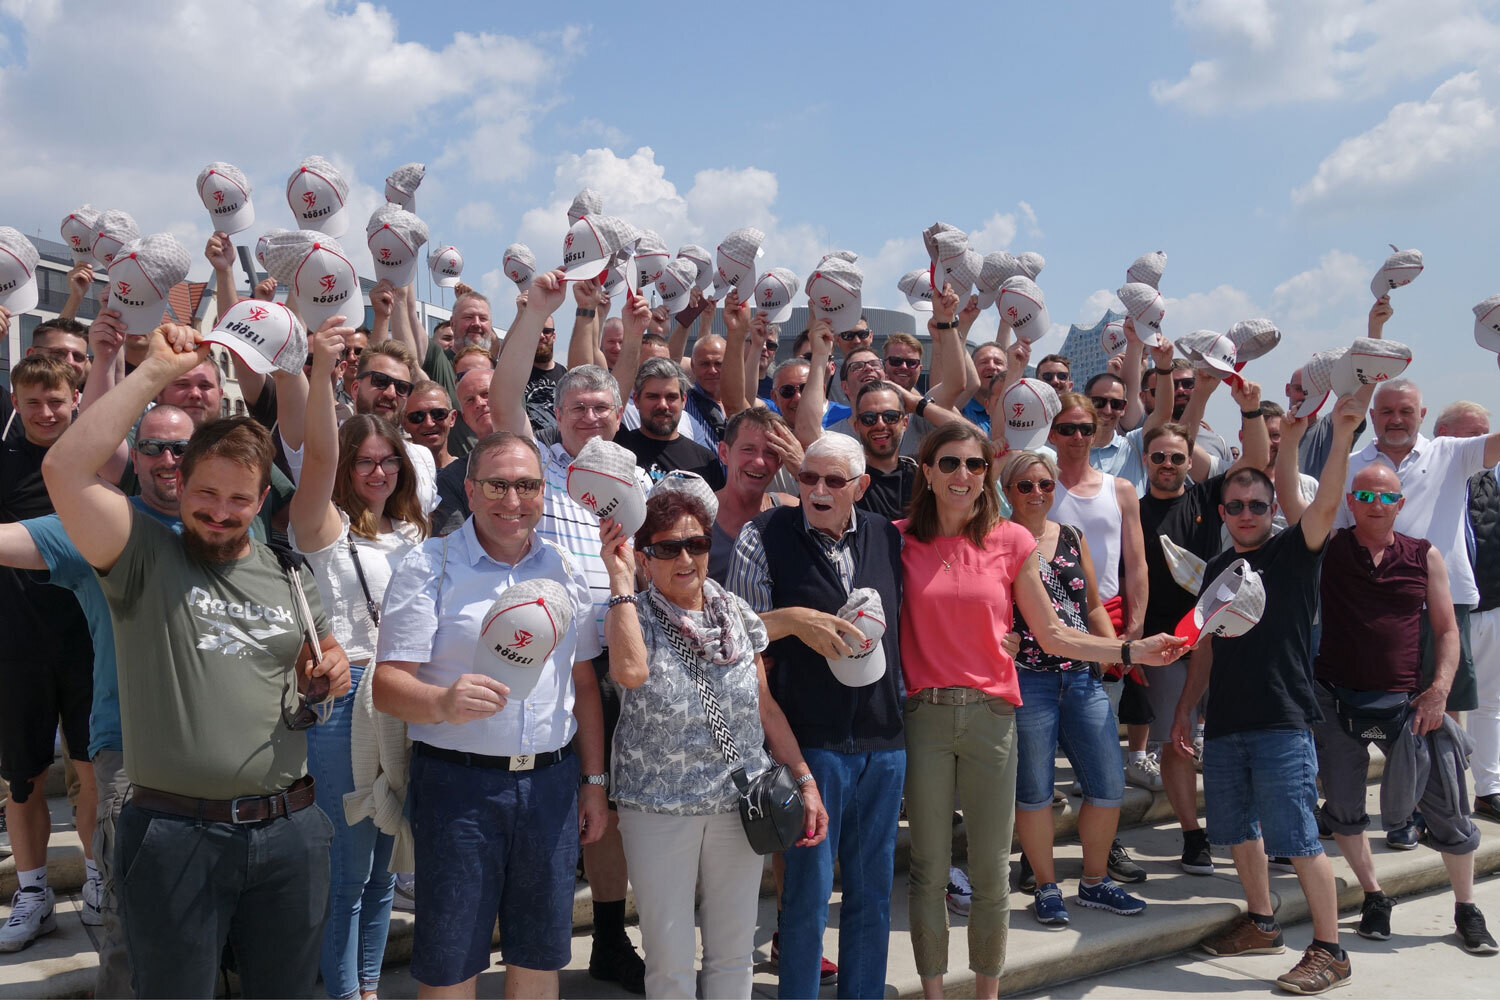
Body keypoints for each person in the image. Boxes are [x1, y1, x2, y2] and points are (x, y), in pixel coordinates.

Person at [43, 322, 352, 996]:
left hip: (291, 832)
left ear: (260, 500)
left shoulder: (289, 571)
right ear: (179, 484)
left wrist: (331, 665)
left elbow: (323, 651)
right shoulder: (141, 556)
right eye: (206, 495)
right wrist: (152, 370)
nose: (220, 513)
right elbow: (63, 468)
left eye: (239, 500)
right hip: (174, 837)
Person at [895, 421, 1186, 999]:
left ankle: (986, 994)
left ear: (986, 477)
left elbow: (1054, 634)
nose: (962, 476)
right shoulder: (895, 539)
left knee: (991, 873)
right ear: (926, 471)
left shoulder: (1011, 540)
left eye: (975, 465)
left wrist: (1130, 649)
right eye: (949, 464)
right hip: (924, 717)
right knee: (929, 869)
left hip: (994, 716)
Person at [374, 430, 606, 999]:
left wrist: (593, 782)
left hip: (550, 784)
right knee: (451, 962)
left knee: (539, 956)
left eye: (526, 485)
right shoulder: (429, 565)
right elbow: (386, 685)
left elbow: (584, 684)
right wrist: (442, 703)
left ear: (543, 494)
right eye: (498, 485)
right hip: (460, 787)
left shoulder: (564, 569)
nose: (512, 499)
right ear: (471, 491)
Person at [490, 270, 652, 993]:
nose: (589, 416)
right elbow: (501, 396)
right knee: (560, 817)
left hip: (616, 661)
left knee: (610, 808)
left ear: (619, 413)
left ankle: (612, 936)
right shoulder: (538, 468)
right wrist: (539, 312)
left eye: (600, 406)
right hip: (546, 667)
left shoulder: (638, 478)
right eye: (576, 407)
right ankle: (538, 946)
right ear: (555, 416)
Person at [1173, 392, 1364, 995]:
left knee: (1300, 839)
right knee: (1237, 831)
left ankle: (1331, 950)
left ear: (1272, 510)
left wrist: (1338, 435)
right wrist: (1186, 707)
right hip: (1226, 721)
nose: (1248, 512)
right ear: (1223, 512)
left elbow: (1325, 500)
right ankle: (1261, 922)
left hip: (1282, 719)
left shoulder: (1293, 552)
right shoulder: (1214, 568)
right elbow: (1205, 645)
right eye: (1237, 505)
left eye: (1258, 504)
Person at [603, 492, 827, 998]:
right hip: (659, 809)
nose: (685, 558)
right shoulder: (628, 616)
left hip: (738, 803)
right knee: (670, 957)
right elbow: (630, 673)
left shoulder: (737, 613)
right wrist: (620, 581)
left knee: (731, 954)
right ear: (644, 558)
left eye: (696, 544)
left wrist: (805, 779)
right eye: (667, 549)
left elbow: (765, 707)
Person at [0, 401, 189, 986]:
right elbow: (27, 520)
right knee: (129, 932)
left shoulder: (232, 520)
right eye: (153, 445)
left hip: (219, 756)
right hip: (131, 752)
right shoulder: (107, 521)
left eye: (180, 447)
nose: (167, 459)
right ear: (131, 453)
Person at [1282, 453, 1498, 954]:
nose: (1374, 504)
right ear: (1349, 503)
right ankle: (1375, 896)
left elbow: (1447, 630)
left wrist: (1440, 690)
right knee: (1345, 811)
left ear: (1400, 504)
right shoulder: (1329, 547)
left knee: (1447, 807)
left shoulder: (1425, 555)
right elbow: (1293, 499)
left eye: (1385, 496)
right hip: (1335, 699)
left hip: (1410, 704)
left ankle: (1467, 907)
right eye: (1364, 495)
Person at [726, 433, 906, 998]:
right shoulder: (764, 535)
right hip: (810, 741)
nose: (818, 490)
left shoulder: (885, 535)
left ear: (861, 487)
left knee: (873, 894)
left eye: (833, 481)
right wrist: (794, 618)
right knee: (805, 896)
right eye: (807, 478)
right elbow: (739, 630)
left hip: (883, 737)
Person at [291, 322, 430, 1000]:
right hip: (344, 706)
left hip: (399, 698)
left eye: (389, 461)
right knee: (348, 870)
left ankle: (369, 986)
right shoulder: (322, 528)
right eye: (365, 462)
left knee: (382, 871)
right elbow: (315, 459)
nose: (379, 471)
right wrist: (321, 371)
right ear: (347, 468)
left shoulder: (412, 531)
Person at [1000, 450, 1146, 924]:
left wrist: (1113, 652)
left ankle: (1094, 881)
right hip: (1029, 680)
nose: (1038, 493)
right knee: (1035, 791)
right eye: (1026, 486)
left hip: (1082, 676)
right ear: (1007, 492)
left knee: (1107, 784)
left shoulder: (1071, 536)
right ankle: (1045, 886)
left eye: (1045, 484)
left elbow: (1093, 605)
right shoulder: (998, 540)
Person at [1136, 375, 1268, 873]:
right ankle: (1193, 835)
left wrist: (1250, 411)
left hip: (1224, 637)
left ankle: (1243, 827)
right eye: (1159, 457)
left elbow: (1254, 465)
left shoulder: (1209, 498)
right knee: (1177, 739)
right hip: (1166, 644)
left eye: (1177, 458)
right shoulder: (1132, 506)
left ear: (1190, 462)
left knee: (1237, 735)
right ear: (1145, 460)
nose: (1168, 465)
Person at [0, 356, 98, 954]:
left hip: (89, 643)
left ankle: (97, 880)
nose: (45, 413)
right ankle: (33, 894)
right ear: (15, 401)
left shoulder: (96, 460)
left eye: (55, 401)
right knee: (24, 779)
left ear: (75, 398)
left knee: (91, 774)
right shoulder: (2, 460)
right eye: (32, 402)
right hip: (16, 647)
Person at [1335, 378, 1500, 727]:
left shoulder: (1452, 452)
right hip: (1371, 610)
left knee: (1443, 715)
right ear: (1373, 416)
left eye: (1406, 411)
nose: (1396, 419)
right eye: (1387, 411)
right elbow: (1335, 535)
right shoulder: (1348, 465)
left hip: (1441, 607)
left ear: (1422, 414)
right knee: (1374, 720)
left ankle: (1442, 782)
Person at [1042, 396, 1150, 885]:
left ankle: (1105, 849)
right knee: (1039, 758)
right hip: (1044, 629)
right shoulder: (1033, 484)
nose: (1077, 437)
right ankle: (1035, 854)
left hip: (1104, 626)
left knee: (1101, 752)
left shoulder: (1120, 488)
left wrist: (1134, 629)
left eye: (1085, 427)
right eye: (1066, 427)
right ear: (1050, 430)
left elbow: (1137, 562)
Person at [1439, 401, 1500, 819]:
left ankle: (1489, 788)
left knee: (1491, 702)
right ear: (1443, 434)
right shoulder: (1430, 479)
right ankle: (1444, 793)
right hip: (1443, 611)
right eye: (1469, 435)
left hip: (1492, 606)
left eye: (1485, 434)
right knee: (1442, 705)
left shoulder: (1492, 480)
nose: (1481, 444)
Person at [709, 408, 801, 582]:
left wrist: (802, 471)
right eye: (748, 449)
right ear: (724, 453)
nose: (759, 462)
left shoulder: (789, 510)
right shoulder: (698, 516)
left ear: (781, 462)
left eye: (771, 453)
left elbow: (843, 526)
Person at [614, 358, 725, 488]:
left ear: (683, 401)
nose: (662, 405)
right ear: (637, 400)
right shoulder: (618, 449)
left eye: (671, 397)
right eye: (653, 396)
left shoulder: (706, 460)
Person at [683, 333, 727, 450]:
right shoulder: (681, 404)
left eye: (718, 364)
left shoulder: (743, 402)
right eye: (705, 364)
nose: (712, 370)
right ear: (693, 365)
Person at [405, 380, 460, 469]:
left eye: (438, 414)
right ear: (404, 423)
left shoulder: (469, 472)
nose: (428, 423)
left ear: (452, 418)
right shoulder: (398, 477)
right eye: (417, 416)